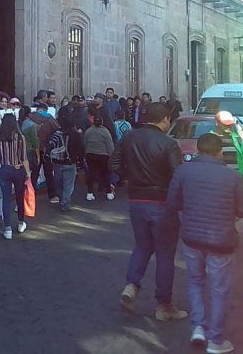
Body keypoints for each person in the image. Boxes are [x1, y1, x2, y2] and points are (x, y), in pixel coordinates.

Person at [167, 132, 243, 353]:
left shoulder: (183, 171)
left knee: (195, 281)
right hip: (222, 240)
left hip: (192, 237)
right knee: (219, 289)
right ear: (219, 151)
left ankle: (197, 327)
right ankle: (216, 340)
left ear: (197, 149)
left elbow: (173, 202)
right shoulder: (232, 177)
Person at [110, 102, 187, 321]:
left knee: (142, 246)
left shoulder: (129, 137)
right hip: (162, 202)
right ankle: (164, 305)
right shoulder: (168, 143)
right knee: (164, 253)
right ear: (164, 120)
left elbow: (113, 162)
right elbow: (178, 175)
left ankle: (132, 285)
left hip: (137, 200)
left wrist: (128, 177)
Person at [0, 113, 30, 239]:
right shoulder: (20, 138)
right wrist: (28, 173)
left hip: (5, 169)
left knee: (6, 199)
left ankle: (8, 229)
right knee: (19, 198)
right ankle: (21, 222)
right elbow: (24, 158)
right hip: (18, 169)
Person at [47, 111, 85, 212]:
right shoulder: (76, 134)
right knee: (68, 185)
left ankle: (61, 198)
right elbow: (81, 149)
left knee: (58, 183)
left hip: (57, 162)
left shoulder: (55, 133)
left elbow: (49, 145)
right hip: (70, 162)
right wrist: (80, 161)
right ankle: (65, 202)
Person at [83, 115, 115, 201]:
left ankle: (89, 193)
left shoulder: (88, 131)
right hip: (103, 155)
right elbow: (110, 145)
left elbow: (85, 142)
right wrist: (111, 156)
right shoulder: (105, 131)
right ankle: (108, 192)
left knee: (91, 174)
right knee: (105, 174)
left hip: (90, 154)